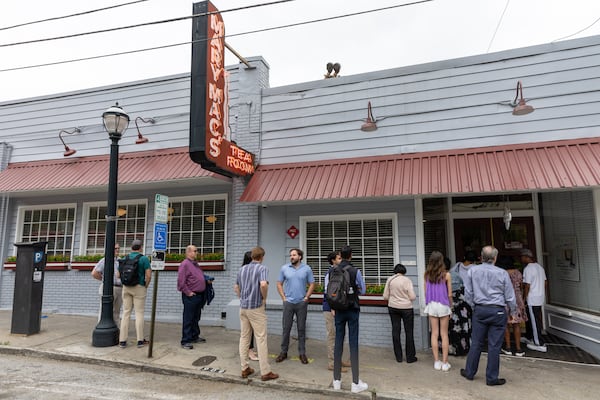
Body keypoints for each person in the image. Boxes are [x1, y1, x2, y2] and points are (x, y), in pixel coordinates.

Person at [461, 245, 517, 386]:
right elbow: (510, 296)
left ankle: (469, 372)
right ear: (495, 258)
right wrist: (513, 312)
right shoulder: (502, 273)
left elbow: (468, 293)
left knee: (476, 343)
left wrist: (475, 307)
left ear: (481, 256)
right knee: (494, 346)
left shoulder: (472, 271)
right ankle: (491, 378)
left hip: (480, 309)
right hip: (498, 310)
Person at [327, 245, 368, 394]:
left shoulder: (332, 270)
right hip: (352, 309)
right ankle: (355, 382)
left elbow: (328, 289)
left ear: (341, 256)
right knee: (353, 343)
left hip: (338, 309)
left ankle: (336, 380)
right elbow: (362, 290)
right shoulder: (355, 271)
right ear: (350, 255)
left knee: (338, 342)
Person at [234, 246, 278, 381]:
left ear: (252, 256)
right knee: (261, 338)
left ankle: (244, 368)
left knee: (244, 337)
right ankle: (265, 371)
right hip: (256, 307)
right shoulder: (262, 268)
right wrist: (264, 298)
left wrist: (242, 297)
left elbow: (236, 287)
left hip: (243, 307)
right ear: (262, 257)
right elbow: (263, 284)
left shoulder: (242, 269)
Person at [276, 248, 315, 365]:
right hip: (288, 303)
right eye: (290, 255)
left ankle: (302, 353)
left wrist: (307, 297)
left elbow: (312, 283)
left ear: (300, 257)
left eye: (294, 255)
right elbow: (279, 283)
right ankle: (283, 352)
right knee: (286, 329)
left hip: (301, 303)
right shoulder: (284, 268)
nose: (291, 257)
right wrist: (283, 298)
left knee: (301, 329)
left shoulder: (306, 269)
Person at [177, 245, 214, 350]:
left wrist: (206, 280)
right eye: (195, 251)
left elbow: (198, 277)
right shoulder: (185, 264)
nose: (197, 252)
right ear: (188, 252)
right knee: (188, 318)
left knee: (196, 317)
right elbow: (181, 282)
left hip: (199, 295)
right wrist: (188, 292)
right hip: (191, 296)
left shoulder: (195, 264)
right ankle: (185, 340)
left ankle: (194, 336)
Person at [118, 239, 151, 348]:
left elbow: (118, 275)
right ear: (140, 247)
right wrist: (145, 285)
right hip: (139, 287)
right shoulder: (144, 259)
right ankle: (140, 340)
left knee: (126, 313)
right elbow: (149, 275)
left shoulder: (124, 258)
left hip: (126, 287)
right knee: (139, 313)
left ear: (131, 247)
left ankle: (122, 340)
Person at [423, 251, 453, 372]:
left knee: (434, 334)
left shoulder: (426, 275)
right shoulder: (446, 275)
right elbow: (450, 294)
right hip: (443, 304)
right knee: (444, 334)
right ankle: (445, 363)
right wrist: (451, 306)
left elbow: (425, 292)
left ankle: (436, 361)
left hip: (431, 304)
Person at [383, 263, 417, 363]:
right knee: (409, 332)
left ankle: (398, 356)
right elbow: (412, 297)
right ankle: (410, 357)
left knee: (395, 330)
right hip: (407, 308)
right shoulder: (407, 280)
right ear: (404, 271)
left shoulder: (390, 279)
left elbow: (385, 296)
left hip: (393, 307)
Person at [323, 251, 350, 372]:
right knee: (332, 335)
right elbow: (329, 292)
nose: (341, 260)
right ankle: (332, 363)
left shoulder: (340, 272)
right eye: (339, 258)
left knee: (340, 335)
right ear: (333, 260)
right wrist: (332, 307)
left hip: (339, 307)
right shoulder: (330, 273)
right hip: (330, 308)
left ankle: (338, 360)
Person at [496, 255, 527, 357]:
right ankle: (518, 348)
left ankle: (508, 347)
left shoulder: (501, 273)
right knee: (516, 324)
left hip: (504, 300)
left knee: (505, 325)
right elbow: (521, 286)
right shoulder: (518, 273)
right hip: (517, 300)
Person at [448, 251, 476, 356]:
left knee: (457, 323)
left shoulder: (457, 266)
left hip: (458, 298)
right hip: (470, 298)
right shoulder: (475, 269)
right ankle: (470, 343)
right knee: (469, 322)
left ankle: (457, 344)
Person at [521, 249, 548, 353]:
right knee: (531, 318)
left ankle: (539, 343)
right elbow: (545, 283)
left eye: (522, 256)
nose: (521, 258)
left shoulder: (528, 269)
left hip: (532, 298)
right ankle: (529, 336)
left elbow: (527, 285)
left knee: (534, 320)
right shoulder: (540, 267)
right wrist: (540, 290)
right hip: (539, 296)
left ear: (527, 257)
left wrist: (524, 298)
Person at [91, 243, 122, 324]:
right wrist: (105, 280)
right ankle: (101, 327)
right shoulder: (104, 260)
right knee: (104, 310)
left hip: (119, 288)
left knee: (116, 311)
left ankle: (116, 330)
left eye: (118, 248)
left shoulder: (120, 261)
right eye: (115, 248)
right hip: (108, 287)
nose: (117, 250)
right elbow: (94, 273)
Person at [242, 251, 259, 361]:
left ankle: (248, 350)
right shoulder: (249, 272)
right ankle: (249, 351)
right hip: (251, 304)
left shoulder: (243, 270)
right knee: (249, 330)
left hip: (247, 303)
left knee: (248, 330)